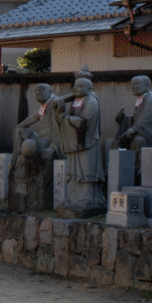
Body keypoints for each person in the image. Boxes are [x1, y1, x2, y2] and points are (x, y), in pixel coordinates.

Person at [54, 77, 104, 210]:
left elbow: (84, 122)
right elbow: (71, 119)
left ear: (89, 90)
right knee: (74, 171)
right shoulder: (75, 102)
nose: (75, 89)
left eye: (80, 86)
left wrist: (64, 117)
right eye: (75, 86)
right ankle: (72, 199)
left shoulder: (91, 102)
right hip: (74, 142)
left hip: (87, 141)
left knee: (86, 170)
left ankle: (88, 199)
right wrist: (61, 114)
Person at [9, 83, 59, 211]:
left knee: (28, 146)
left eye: (40, 91)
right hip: (41, 138)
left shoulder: (55, 103)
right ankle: (15, 160)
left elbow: (60, 129)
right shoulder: (44, 105)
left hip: (48, 141)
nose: (37, 94)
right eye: (35, 92)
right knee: (20, 131)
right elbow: (34, 116)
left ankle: (21, 157)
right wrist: (18, 126)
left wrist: (53, 147)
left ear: (49, 91)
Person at [113, 75, 152, 152]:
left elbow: (147, 119)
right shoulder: (141, 99)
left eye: (136, 84)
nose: (132, 87)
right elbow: (136, 119)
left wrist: (133, 129)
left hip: (150, 136)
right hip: (140, 131)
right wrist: (124, 119)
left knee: (138, 141)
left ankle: (138, 164)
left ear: (147, 85)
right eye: (132, 85)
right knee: (118, 141)